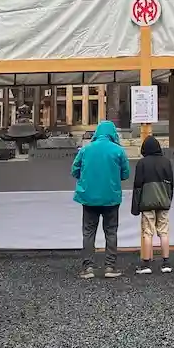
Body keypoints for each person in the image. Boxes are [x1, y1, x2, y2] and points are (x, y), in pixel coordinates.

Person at [72, 119, 130, 279]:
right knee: (111, 232)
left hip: (89, 196)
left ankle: (88, 267)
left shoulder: (86, 149)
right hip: (111, 197)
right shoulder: (118, 151)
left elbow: (74, 170)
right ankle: (110, 267)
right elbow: (125, 174)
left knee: (88, 232)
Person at [131, 134, 174, 275]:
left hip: (147, 202)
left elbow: (137, 186)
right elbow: (171, 184)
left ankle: (146, 264)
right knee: (164, 232)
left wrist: (136, 207)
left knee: (147, 233)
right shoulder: (166, 162)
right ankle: (166, 263)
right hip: (163, 201)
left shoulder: (142, 163)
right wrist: (168, 200)